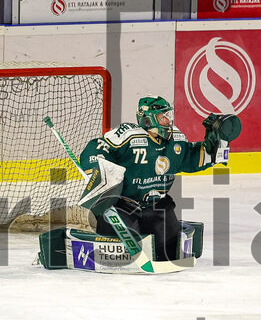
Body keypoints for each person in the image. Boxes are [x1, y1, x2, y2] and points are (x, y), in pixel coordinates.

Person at [77, 97, 241, 262]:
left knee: (169, 249)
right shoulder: (129, 135)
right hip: (122, 206)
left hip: (156, 206)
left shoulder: (176, 139)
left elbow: (192, 158)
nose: (167, 120)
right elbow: (97, 146)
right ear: (147, 119)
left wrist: (216, 146)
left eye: (168, 115)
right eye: (162, 116)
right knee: (126, 251)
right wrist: (96, 167)